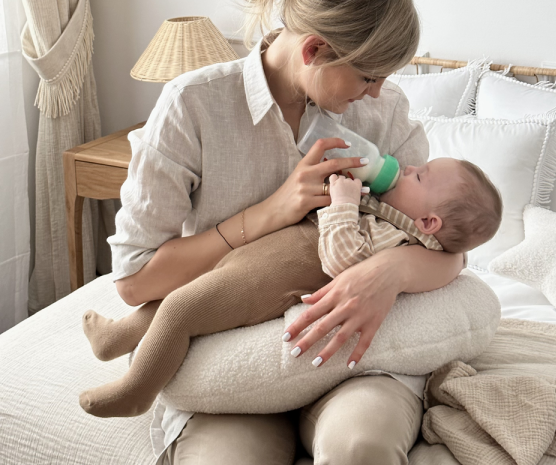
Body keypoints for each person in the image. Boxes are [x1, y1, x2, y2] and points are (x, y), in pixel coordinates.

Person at [106, 0, 466, 465]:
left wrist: (386, 275)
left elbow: (449, 245)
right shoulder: (194, 105)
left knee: (360, 448)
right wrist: (268, 214)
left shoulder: (384, 110)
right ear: (314, 50)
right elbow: (135, 282)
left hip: (355, 358)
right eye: (368, 76)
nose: (375, 93)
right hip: (231, 355)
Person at [79, 157, 502, 418]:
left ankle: (137, 392)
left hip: (271, 280)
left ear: (428, 224)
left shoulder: (395, 236)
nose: (409, 167)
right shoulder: (387, 208)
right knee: (187, 293)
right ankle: (115, 338)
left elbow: (342, 262)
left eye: (420, 177)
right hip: (258, 257)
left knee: (181, 311)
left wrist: (343, 204)